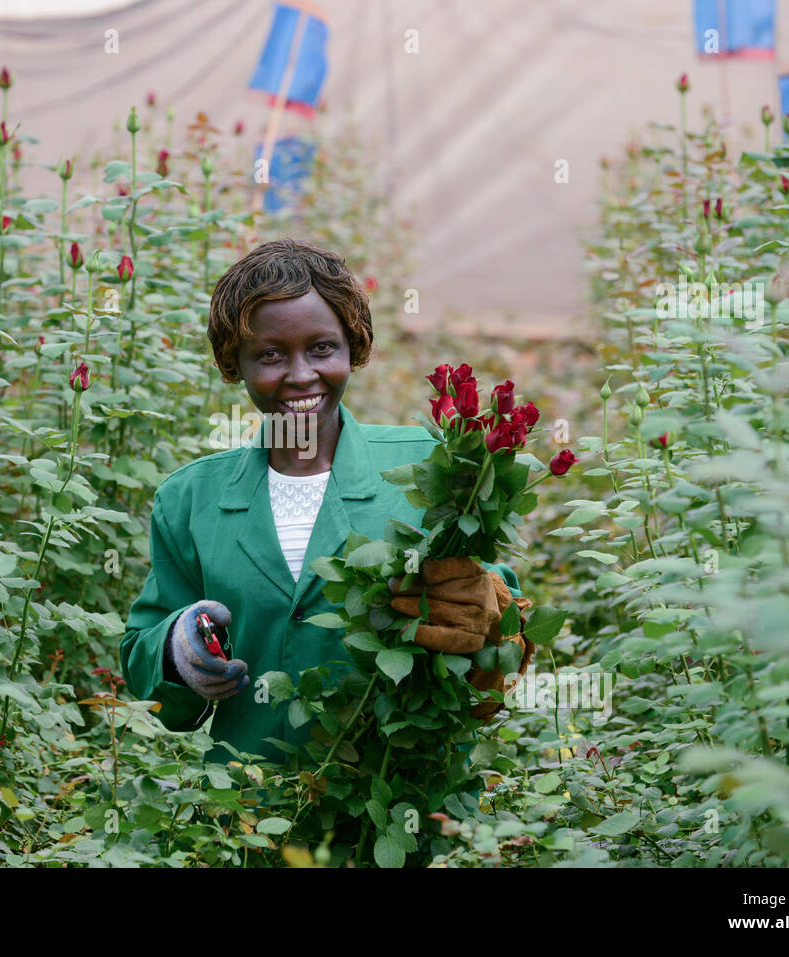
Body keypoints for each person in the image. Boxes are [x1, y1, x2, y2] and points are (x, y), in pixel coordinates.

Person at [120, 238, 524, 765]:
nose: (301, 374)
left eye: (321, 348)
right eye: (269, 354)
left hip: (402, 800)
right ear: (233, 363)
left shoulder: (430, 466)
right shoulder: (190, 498)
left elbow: (502, 634)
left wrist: (493, 614)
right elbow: (144, 658)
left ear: (352, 346)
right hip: (244, 811)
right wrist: (176, 650)